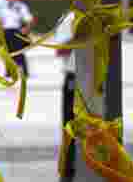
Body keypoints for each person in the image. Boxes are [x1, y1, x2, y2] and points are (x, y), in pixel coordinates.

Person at [53, 11, 78, 182]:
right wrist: (81, 36)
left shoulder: (102, 16)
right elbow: (60, 50)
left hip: (98, 79)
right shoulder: (70, 19)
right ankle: (69, 170)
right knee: (71, 125)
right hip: (75, 79)